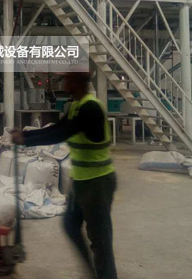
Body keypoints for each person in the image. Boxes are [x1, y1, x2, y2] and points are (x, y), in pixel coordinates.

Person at [11, 71, 117, 279]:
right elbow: (57, 128)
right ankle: (93, 272)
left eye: (66, 79)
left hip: (98, 182)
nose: (63, 82)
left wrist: (26, 140)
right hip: (82, 181)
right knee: (70, 225)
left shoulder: (90, 108)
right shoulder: (76, 106)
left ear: (77, 82)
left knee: (100, 240)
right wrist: (25, 135)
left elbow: (60, 134)